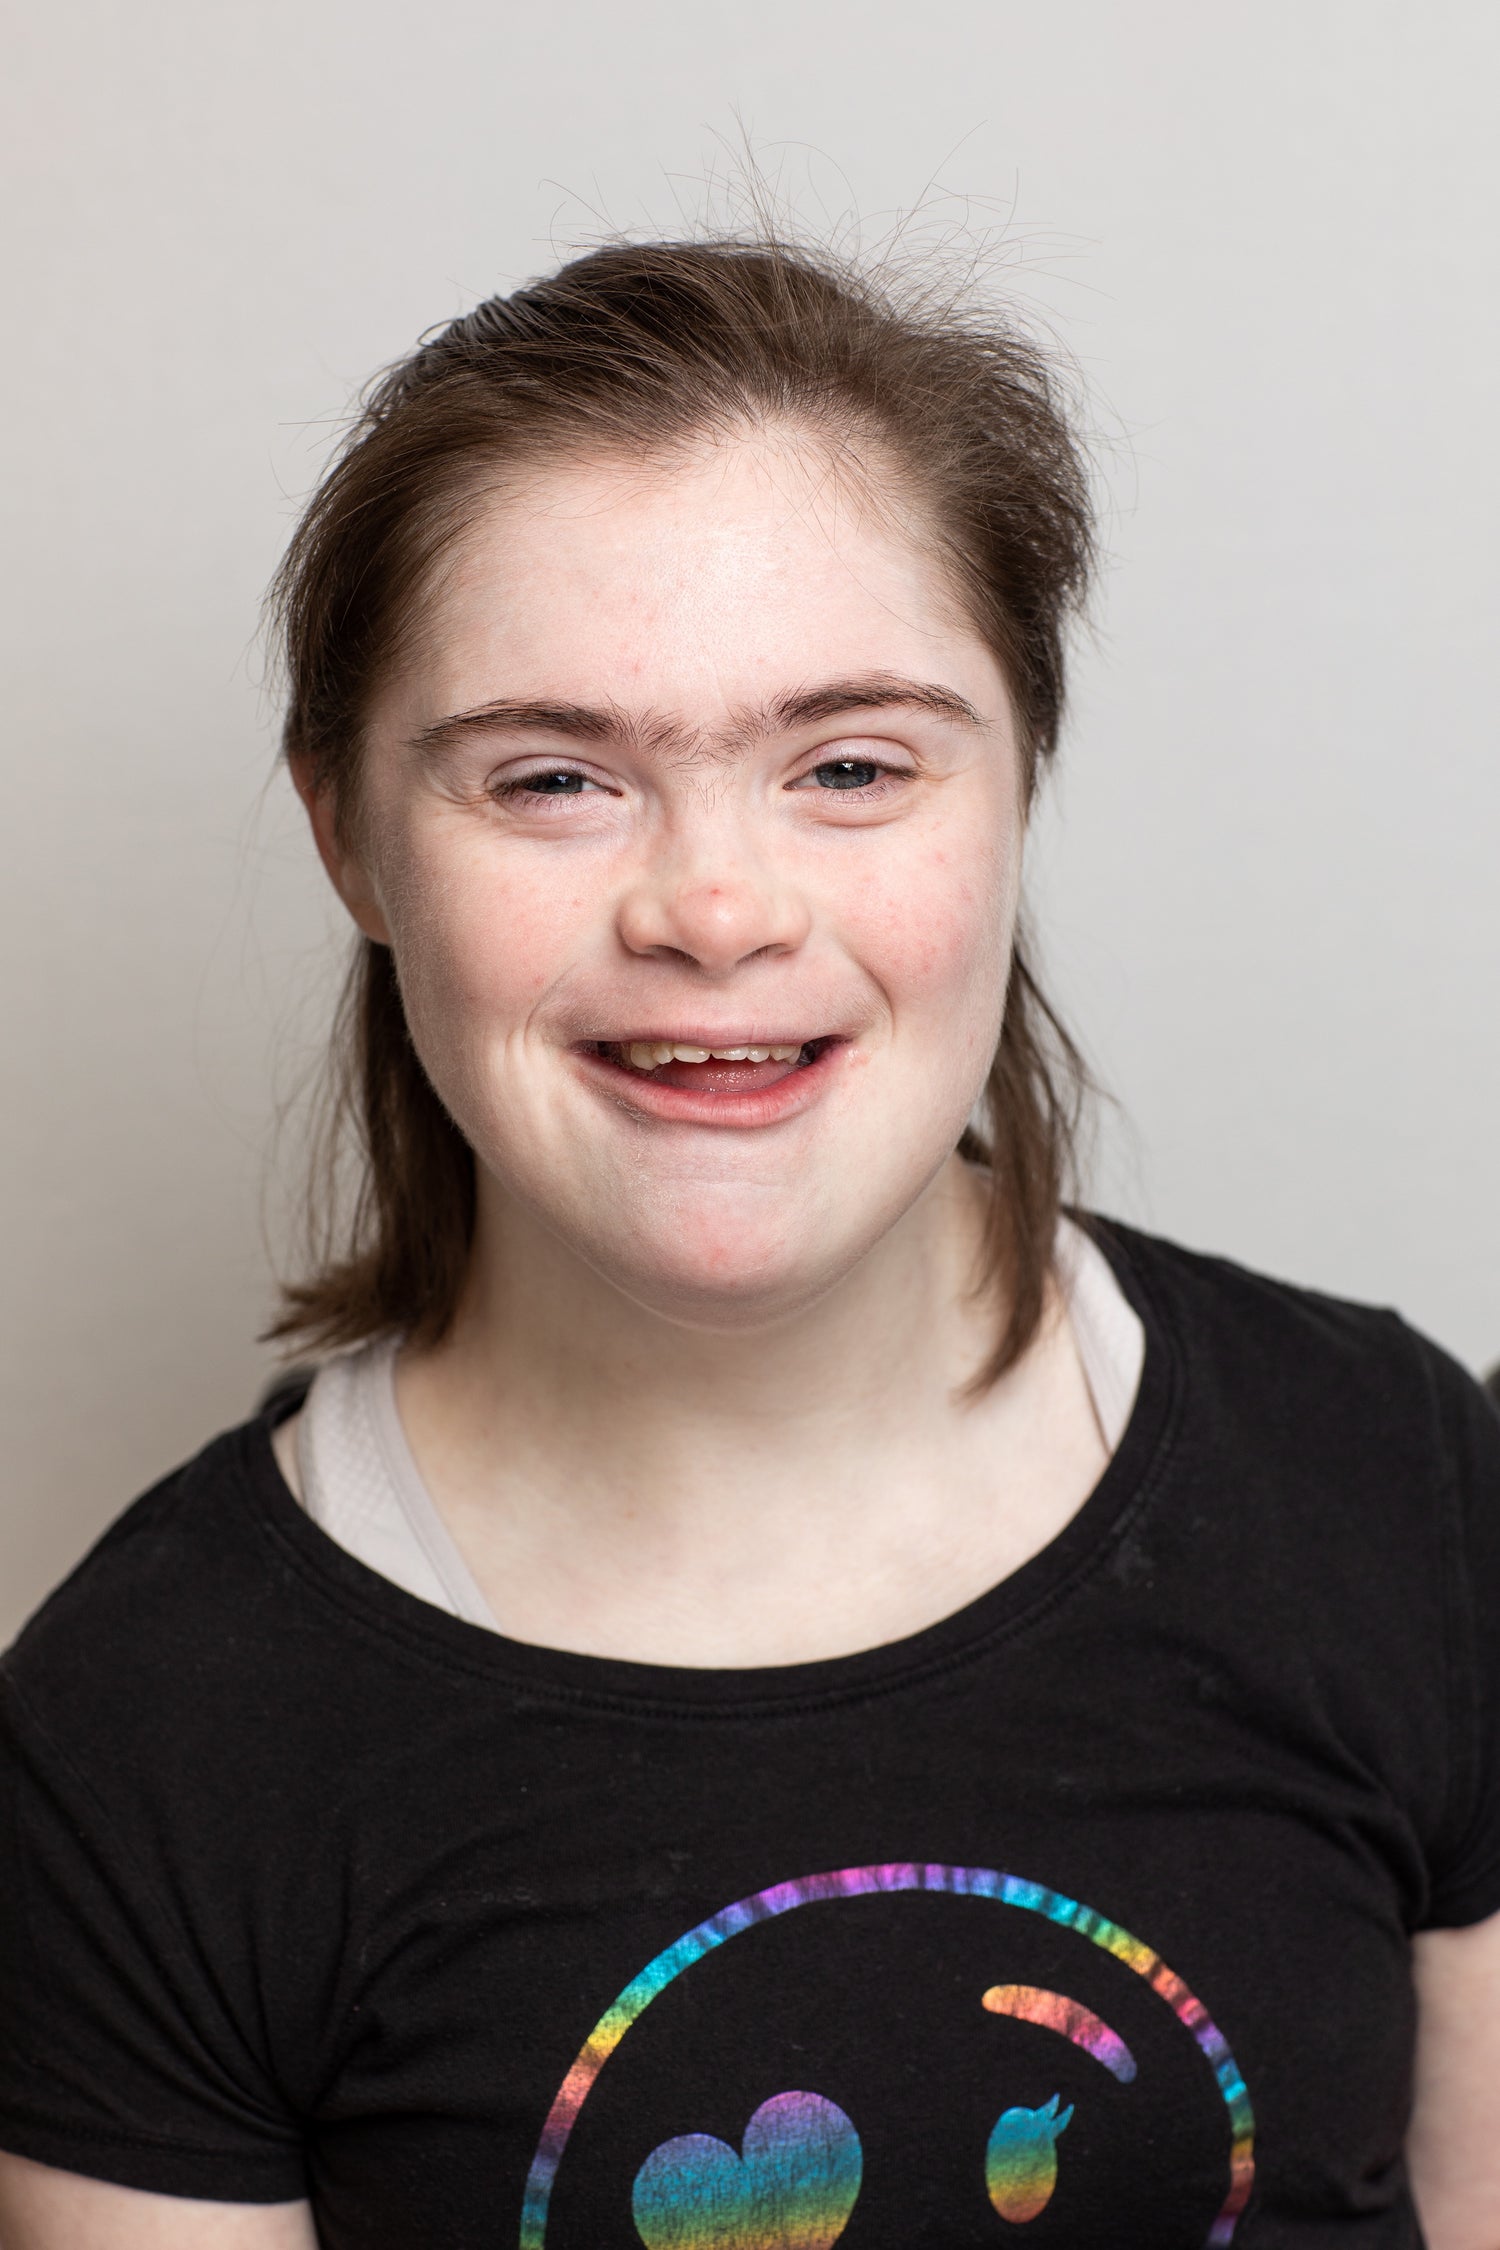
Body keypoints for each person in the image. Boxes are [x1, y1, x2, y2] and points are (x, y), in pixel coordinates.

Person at [0, 237, 1496, 2250]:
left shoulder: (1398, 1478)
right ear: (351, 837)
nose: (714, 906)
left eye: (852, 767)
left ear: (1017, 782)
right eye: (554, 778)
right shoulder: (139, 1744)